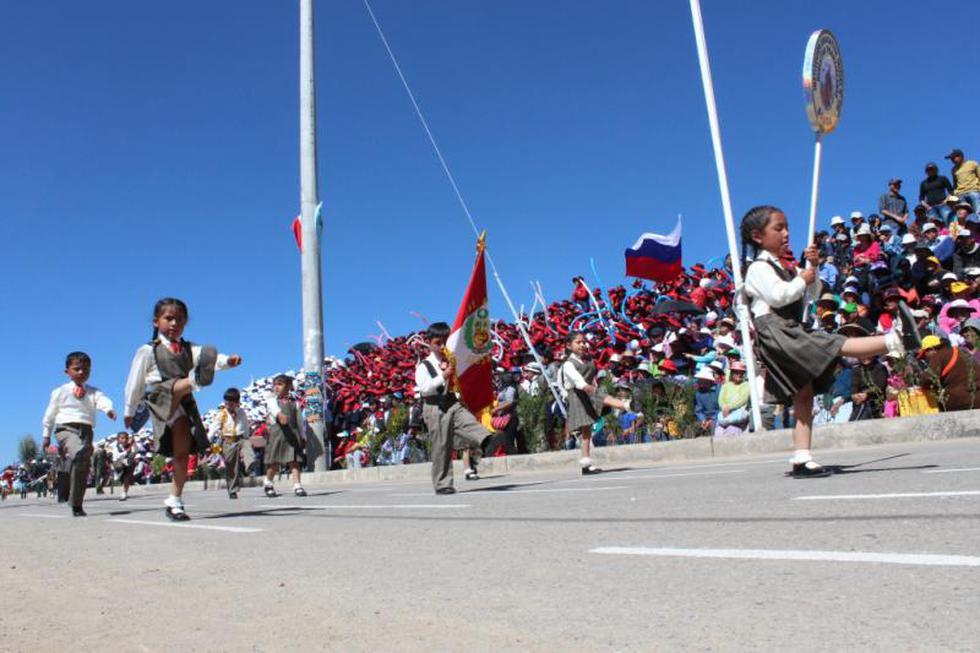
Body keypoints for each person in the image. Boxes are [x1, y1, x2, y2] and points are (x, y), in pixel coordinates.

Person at [740, 206, 917, 478]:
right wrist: (802, 278)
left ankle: (801, 457)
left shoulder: (785, 267)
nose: (786, 233)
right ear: (757, 236)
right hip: (776, 330)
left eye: (787, 227)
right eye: (778, 228)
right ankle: (896, 340)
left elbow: (809, 295)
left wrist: (813, 268)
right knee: (834, 343)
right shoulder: (758, 268)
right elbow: (778, 296)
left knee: (804, 393)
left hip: (789, 327)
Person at [123, 297, 242, 521]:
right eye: (169, 318)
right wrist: (129, 411)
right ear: (156, 321)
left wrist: (227, 361)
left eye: (180, 320)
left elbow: (209, 358)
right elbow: (134, 382)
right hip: (160, 396)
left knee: (182, 453)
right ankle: (196, 379)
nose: (174, 323)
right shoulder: (147, 350)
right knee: (178, 385)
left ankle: (174, 500)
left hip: (183, 403)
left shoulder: (189, 348)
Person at [414, 322, 491, 494]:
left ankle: (486, 441)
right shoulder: (424, 366)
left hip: (451, 401)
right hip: (435, 406)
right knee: (442, 446)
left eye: (445, 342)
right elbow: (425, 388)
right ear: (429, 343)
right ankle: (443, 484)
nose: (442, 346)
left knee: (469, 422)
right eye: (437, 343)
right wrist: (443, 375)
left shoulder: (452, 359)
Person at [41, 351, 117, 517]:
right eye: (77, 369)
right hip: (65, 429)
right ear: (67, 371)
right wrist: (46, 435)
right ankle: (70, 461)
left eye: (86, 369)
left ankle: (76, 503)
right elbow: (50, 414)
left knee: (82, 464)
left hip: (86, 430)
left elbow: (102, 400)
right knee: (79, 451)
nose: (82, 372)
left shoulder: (93, 392)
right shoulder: (60, 391)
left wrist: (108, 409)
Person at [559, 331, 631, 475]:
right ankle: (626, 405)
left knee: (587, 431)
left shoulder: (587, 360)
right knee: (599, 403)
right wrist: (588, 388)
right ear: (568, 345)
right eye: (578, 342)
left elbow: (592, 377)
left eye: (583, 342)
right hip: (578, 395)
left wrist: (592, 386)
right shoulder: (568, 364)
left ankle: (586, 464)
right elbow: (577, 380)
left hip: (588, 391)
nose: (582, 345)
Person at [262, 375, 307, 498]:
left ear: (288, 386)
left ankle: (297, 485)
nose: (276, 387)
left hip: (293, 434)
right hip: (277, 434)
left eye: (280, 384)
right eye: (275, 384)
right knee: (274, 462)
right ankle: (268, 483)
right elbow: (274, 409)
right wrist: (279, 414)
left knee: (294, 461)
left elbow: (300, 421)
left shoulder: (295, 403)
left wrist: (303, 436)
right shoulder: (272, 400)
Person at [918, 335, 980, 411]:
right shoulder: (962, 351)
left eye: (925, 355)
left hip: (962, 401)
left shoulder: (938, 355)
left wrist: (921, 384)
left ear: (932, 349)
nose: (925, 359)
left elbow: (928, 379)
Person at [212, 387, 253, 499]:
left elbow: (245, 425)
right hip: (228, 441)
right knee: (231, 467)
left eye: (231, 403)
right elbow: (214, 427)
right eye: (226, 402)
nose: (228, 405)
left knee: (247, 447)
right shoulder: (222, 414)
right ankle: (232, 490)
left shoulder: (241, 412)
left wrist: (247, 437)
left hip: (240, 438)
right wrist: (208, 439)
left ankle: (250, 466)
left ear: (237, 403)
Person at [946, 148, 980, 215]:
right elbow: (955, 184)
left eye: (953, 158)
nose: (952, 160)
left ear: (960, 156)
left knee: (978, 212)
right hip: (961, 194)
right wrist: (955, 194)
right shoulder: (953, 170)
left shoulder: (972, 164)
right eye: (951, 159)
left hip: (973, 191)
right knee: (964, 215)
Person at [110, 432, 136, 501]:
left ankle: (124, 493)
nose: (124, 440)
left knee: (126, 478)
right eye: (122, 438)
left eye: (126, 438)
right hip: (117, 465)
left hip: (127, 465)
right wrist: (126, 452)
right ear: (118, 439)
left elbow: (135, 452)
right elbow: (117, 456)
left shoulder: (130, 445)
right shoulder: (115, 447)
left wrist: (133, 444)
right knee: (118, 478)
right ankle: (116, 476)